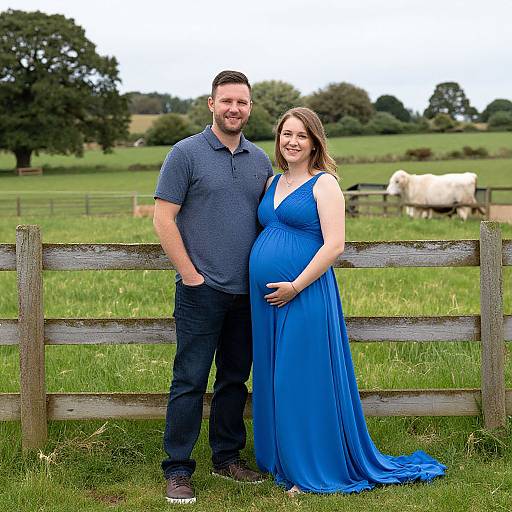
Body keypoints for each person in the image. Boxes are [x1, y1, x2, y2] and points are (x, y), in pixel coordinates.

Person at [249, 107, 446, 495]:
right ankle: (283, 459)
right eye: (286, 134)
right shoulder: (271, 182)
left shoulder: (324, 185)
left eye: (301, 136)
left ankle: (313, 470)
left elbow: (334, 245)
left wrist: (295, 285)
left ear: (315, 142)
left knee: (301, 379)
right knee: (273, 377)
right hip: (266, 301)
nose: (292, 142)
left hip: (304, 294)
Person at [153, 70, 274, 504]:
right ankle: (179, 470)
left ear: (250, 108)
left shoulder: (261, 160)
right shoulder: (184, 154)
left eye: (242, 102)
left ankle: (227, 458)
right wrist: (191, 276)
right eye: (227, 101)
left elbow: (271, 219)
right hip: (200, 290)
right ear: (211, 103)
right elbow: (163, 219)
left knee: (234, 380)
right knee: (189, 379)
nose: (234, 109)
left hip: (248, 294)